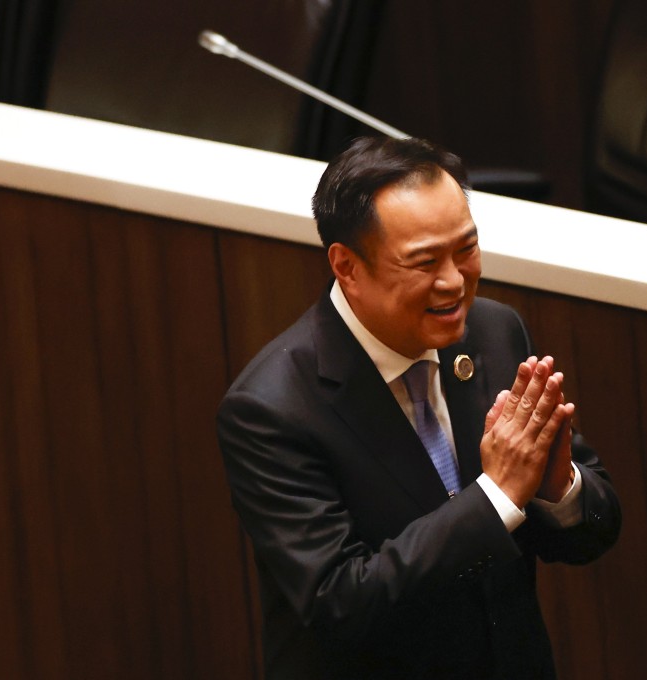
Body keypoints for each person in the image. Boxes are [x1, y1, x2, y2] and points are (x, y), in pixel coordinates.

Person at [217, 136, 621, 679]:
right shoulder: (271, 409)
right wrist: (497, 496)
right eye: (424, 261)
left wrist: (557, 490)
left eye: (466, 249)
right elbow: (343, 602)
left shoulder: (494, 333)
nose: (455, 281)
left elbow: (594, 530)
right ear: (347, 267)